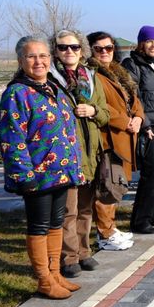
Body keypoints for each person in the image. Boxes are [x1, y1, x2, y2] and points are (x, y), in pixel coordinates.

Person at [0, 36, 84, 299]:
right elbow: (13, 139)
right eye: (32, 56)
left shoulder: (53, 87)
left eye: (44, 56)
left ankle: (55, 272)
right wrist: (25, 175)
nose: (39, 61)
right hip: (36, 174)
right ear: (21, 60)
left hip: (61, 171)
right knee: (39, 225)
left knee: (56, 223)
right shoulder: (17, 93)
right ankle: (44, 280)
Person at [47, 29, 110, 277]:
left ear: (81, 51)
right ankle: (68, 257)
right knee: (68, 209)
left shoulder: (91, 78)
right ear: (56, 51)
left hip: (90, 152)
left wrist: (93, 111)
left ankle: (84, 252)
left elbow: (105, 113)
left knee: (86, 208)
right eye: (63, 47)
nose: (69, 52)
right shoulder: (51, 80)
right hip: (67, 153)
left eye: (74, 47)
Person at [87, 31, 144, 251]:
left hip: (126, 137)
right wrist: (125, 121)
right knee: (108, 187)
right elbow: (100, 105)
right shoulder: (92, 75)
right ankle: (105, 234)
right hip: (109, 137)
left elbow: (134, 98)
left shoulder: (118, 71)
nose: (104, 52)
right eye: (98, 49)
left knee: (117, 185)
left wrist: (138, 117)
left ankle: (110, 227)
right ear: (90, 50)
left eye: (108, 48)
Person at [122, 25, 154, 234]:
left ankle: (152, 213)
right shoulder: (132, 64)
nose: (153, 45)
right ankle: (139, 220)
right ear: (141, 43)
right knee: (150, 173)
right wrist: (144, 124)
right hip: (148, 127)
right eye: (149, 41)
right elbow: (133, 97)